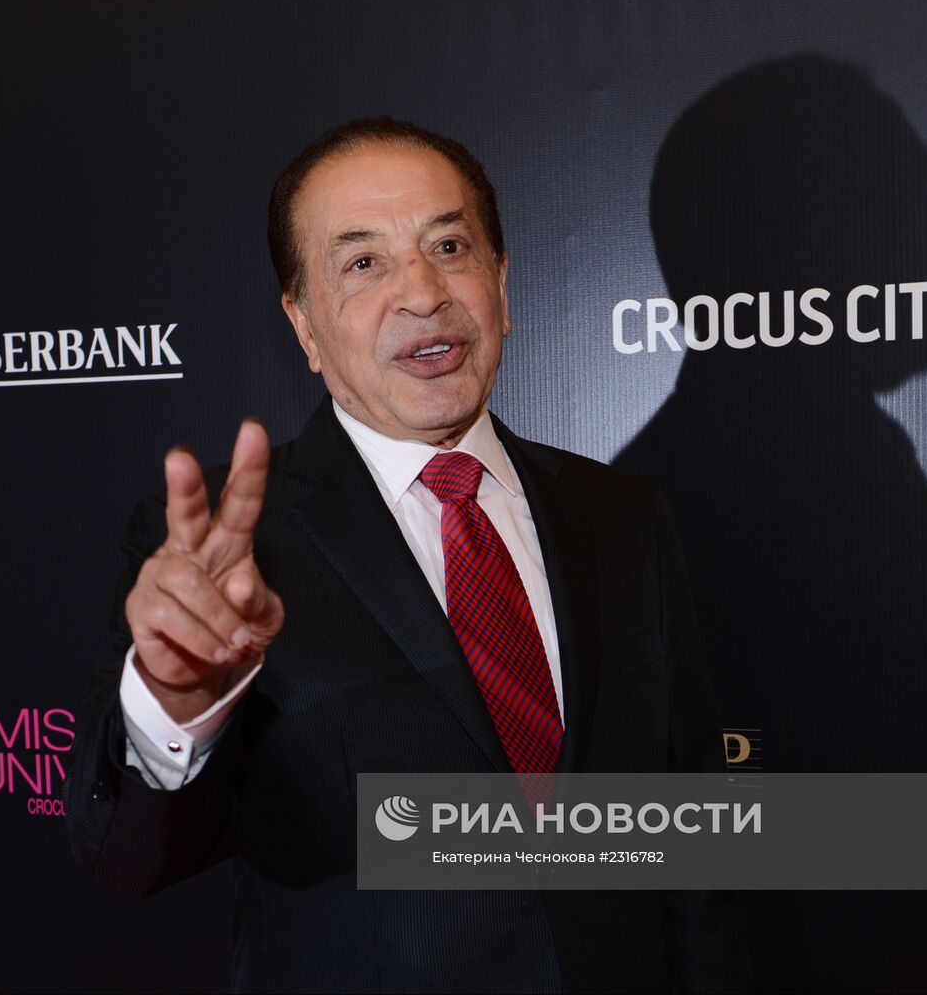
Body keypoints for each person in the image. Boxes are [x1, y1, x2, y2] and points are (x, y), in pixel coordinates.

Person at [64, 117, 742, 993]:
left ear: (502, 284)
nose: (423, 292)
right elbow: (128, 856)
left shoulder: (623, 515)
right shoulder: (225, 548)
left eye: (449, 246)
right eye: (363, 263)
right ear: (304, 327)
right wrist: (178, 706)